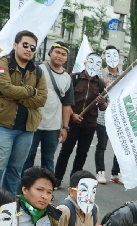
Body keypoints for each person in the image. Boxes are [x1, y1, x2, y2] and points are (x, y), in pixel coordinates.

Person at [0, 30, 47, 195]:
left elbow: (42, 99)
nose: (29, 49)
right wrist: (31, 90)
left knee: (16, 170)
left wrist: (18, 95)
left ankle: (7, 206)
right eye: (25, 45)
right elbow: (7, 89)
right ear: (15, 45)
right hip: (3, 124)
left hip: (27, 128)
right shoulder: (2, 63)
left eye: (32, 47)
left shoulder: (38, 71)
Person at [55, 51, 108, 184]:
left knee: (82, 153)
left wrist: (101, 101)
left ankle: (75, 180)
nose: (93, 66)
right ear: (86, 63)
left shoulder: (100, 84)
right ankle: (57, 178)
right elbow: (65, 100)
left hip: (89, 125)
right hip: (72, 123)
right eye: (91, 62)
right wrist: (72, 115)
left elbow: (103, 107)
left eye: (97, 64)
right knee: (66, 151)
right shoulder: (74, 77)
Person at [22, 40, 73, 174]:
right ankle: (23, 187)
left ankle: (47, 187)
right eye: (57, 52)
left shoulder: (67, 78)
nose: (60, 56)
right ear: (50, 52)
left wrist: (65, 127)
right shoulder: (38, 69)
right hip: (33, 122)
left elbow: (67, 104)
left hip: (54, 126)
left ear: (66, 58)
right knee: (27, 157)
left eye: (63, 54)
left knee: (48, 159)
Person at [95, 44, 122, 184]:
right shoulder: (101, 74)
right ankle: (100, 172)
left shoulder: (124, 74)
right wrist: (104, 86)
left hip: (118, 117)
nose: (112, 59)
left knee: (119, 146)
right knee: (102, 145)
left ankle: (116, 173)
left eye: (115, 55)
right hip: (103, 116)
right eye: (109, 55)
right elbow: (96, 96)